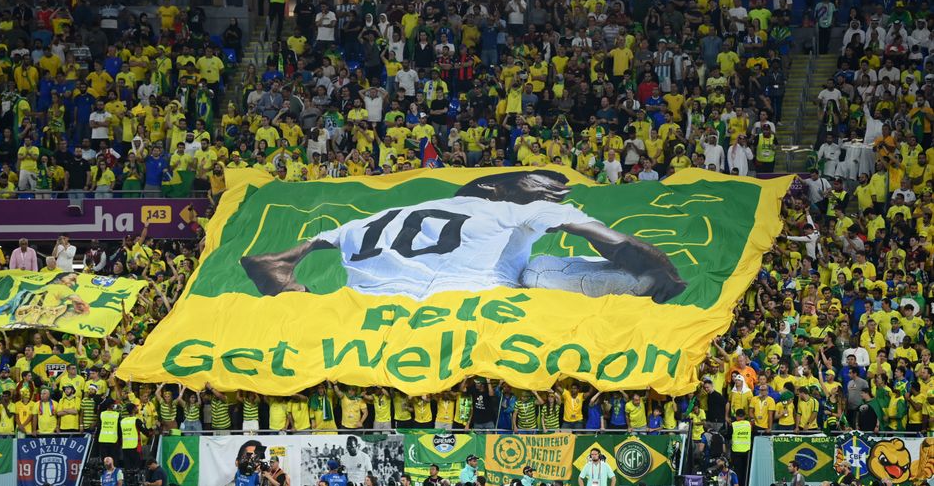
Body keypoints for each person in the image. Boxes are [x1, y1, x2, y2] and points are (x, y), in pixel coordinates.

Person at [242, 170, 685, 303]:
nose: (550, 191)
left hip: (375, 308)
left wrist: (286, 270)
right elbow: (611, 241)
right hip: (470, 301)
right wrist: (660, 270)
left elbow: (306, 247)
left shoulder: (391, 212)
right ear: (491, 187)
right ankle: (639, 288)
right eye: (539, 182)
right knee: (540, 269)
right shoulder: (514, 206)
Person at [728, 409, 751, 486]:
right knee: (746, 470)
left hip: (736, 451)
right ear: (744, 416)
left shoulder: (733, 425)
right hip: (747, 451)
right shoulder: (749, 424)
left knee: (738, 471)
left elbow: (728, 436)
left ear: (736, 416)